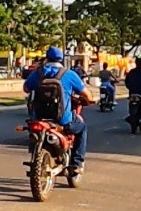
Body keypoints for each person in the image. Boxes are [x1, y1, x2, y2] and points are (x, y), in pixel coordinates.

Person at [24, 46, 91, 177]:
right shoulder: (69, 74)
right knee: (82, 128)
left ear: (46, 58)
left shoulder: (37, 73)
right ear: (61, 59)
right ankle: (77, 163)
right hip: (62, 119)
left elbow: (26, 88)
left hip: (39, 117)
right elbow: (87, 95)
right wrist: (89, 100)